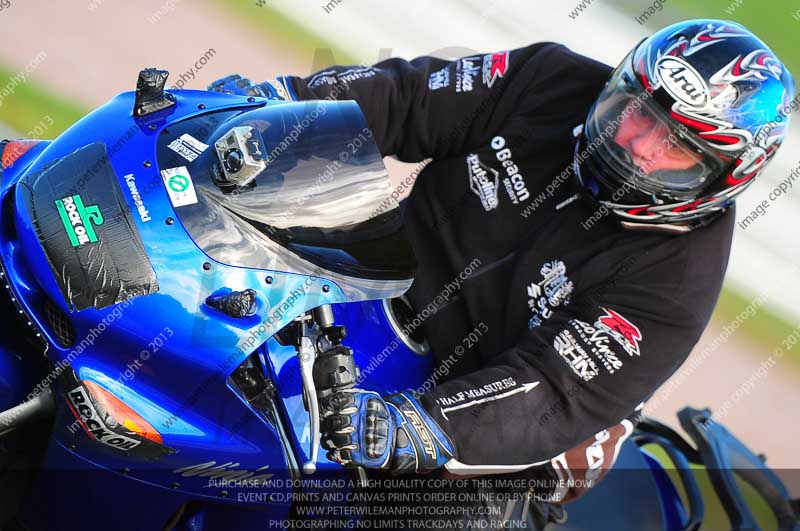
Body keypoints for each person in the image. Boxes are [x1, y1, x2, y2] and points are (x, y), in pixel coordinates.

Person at [211, 18, 793, 524]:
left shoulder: (679, 284)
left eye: (678, 146)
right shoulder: (548, 78)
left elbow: (550, 393)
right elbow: (404, 98)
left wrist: (420, 427)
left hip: (510, 425)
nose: (640, 147)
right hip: (372, 287)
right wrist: (274, 108)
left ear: (722, 176)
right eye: (639, 113)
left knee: (437, 514)